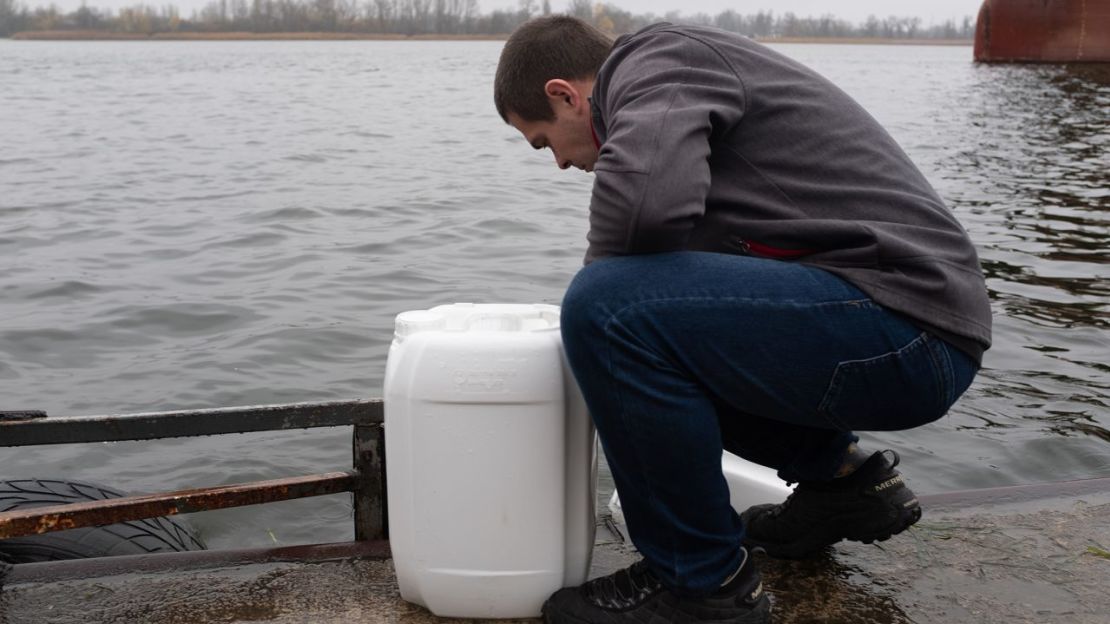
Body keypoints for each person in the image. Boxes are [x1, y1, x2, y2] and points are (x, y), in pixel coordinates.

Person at [494, 16, 991, 624]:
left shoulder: (658, 62)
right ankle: (844, 486)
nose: (561, 165)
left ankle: (700, 583)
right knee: (643, 328)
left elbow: (645, 209)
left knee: (608, 311)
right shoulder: (679, 92)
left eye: (545, 142)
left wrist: (600, 318)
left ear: (563, 95)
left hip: (904, 326)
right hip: (908, 330)